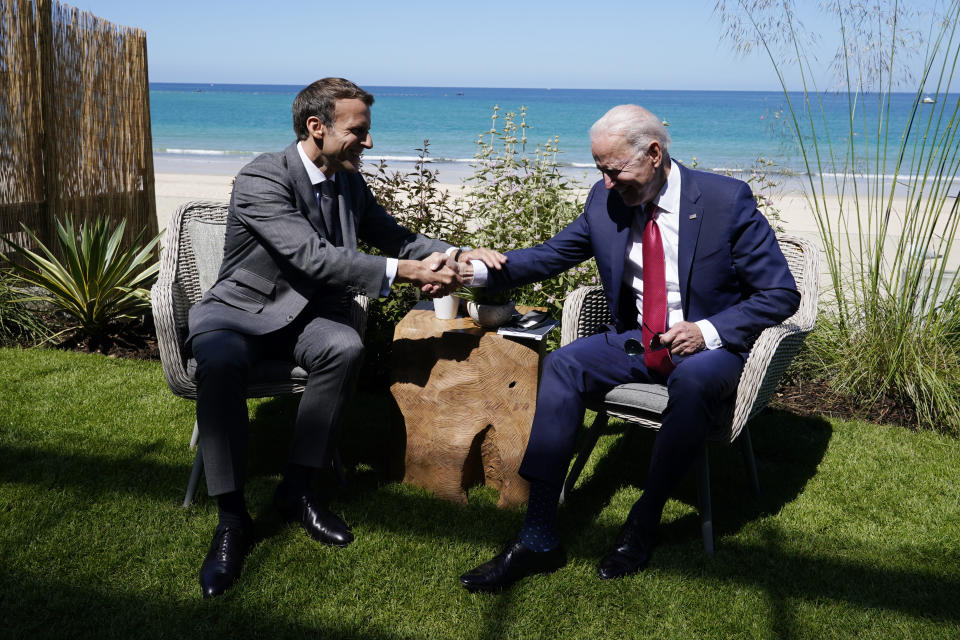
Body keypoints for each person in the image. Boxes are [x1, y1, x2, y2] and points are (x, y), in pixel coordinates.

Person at [459, 105, 800, 592]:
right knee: (561, 364)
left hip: (709, 350)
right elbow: (551, 255)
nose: (606, 181)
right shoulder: (607, 199)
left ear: (655, 153)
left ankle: (643, 521)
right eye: (600, 169)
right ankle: (537, 535)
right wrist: (473, 270)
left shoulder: (726, 201)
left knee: (693, 380)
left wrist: (707, 331)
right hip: (635, 341)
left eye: (613, 169)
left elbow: (781, 293)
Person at [187, 77, 502, 599]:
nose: (369, 143)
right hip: (239, 314)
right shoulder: (261, 177)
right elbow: (313, 255)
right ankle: (231, 517)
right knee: (218, 365)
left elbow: (397, 237)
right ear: (317, 127)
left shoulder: (349, 181)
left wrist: (460, 254)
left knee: (345, 345)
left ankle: (299, 488)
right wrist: (405, 271)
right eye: (359, 131)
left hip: (308, 317)